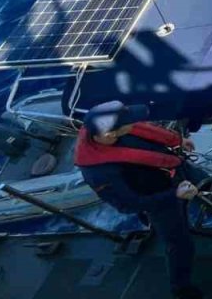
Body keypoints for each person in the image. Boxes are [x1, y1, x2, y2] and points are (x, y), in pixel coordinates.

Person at [73, 101, 203, 299]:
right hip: (159, 197)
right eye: (128, 122)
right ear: (110, 135)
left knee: (205, 183)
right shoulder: (100, 173)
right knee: (180, 244)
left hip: (176, 170)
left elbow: (146, 133)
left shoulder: (109, 130)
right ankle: (182, 288)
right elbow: (128, 204)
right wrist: (174, 195)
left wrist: (177, 140)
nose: (134, 123)